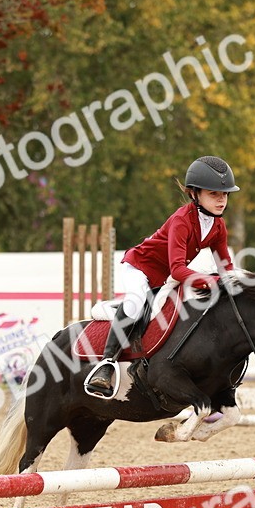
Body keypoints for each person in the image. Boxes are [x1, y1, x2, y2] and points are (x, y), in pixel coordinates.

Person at [84, 155, 240, 399]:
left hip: (162, 279)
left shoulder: (218, 226)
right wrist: (212, 281)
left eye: (225, 194)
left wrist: (236, 284)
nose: (221, 200)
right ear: (195, 194)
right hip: (140, 267)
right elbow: (178, 270)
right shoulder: (181, 220)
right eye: (214, 194)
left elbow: (225, 266)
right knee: (136, 303)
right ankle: (106, 365)